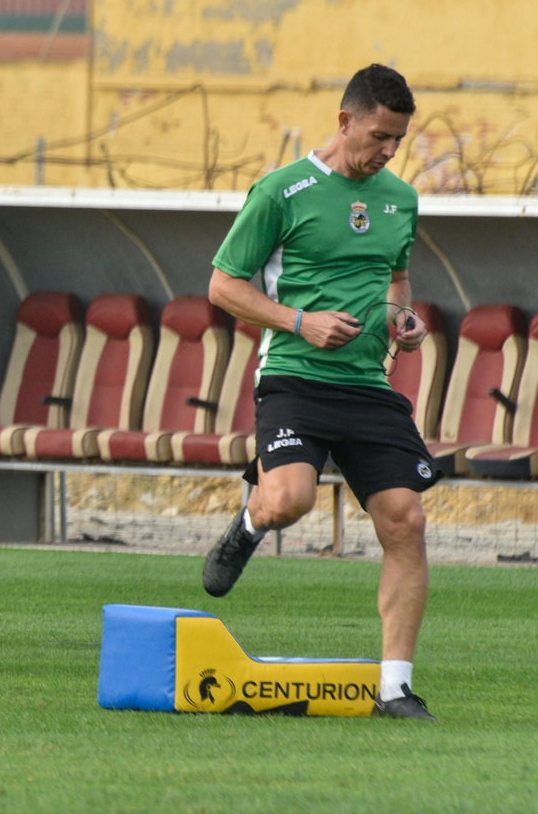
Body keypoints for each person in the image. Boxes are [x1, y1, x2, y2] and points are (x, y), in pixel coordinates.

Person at [201, 63, 437, 720]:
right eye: (380, 135)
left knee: (406, 521)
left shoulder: (401, 198)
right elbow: (224, 285)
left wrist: (402, 319)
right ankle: (250, 523)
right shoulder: (283, 191)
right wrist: (299, 321)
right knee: (291, 500)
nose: (389, 151)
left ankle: (395, 689)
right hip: (295, 378)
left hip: (367, 385)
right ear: (346, 121)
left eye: (398, 140)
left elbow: (396, 280)